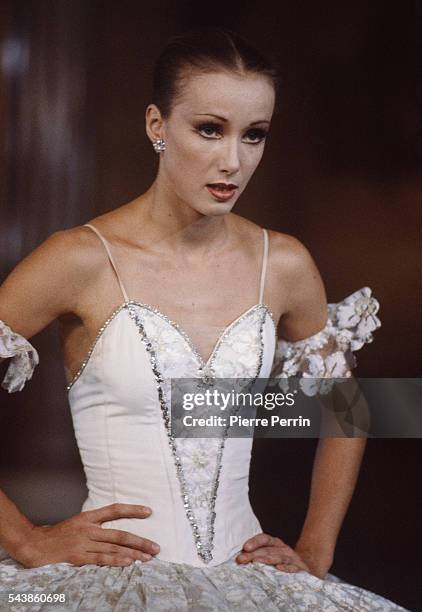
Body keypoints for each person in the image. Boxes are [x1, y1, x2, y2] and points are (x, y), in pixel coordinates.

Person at [0, 26, 407, 611]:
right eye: (210, 129)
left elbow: (349, 410)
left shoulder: (282, 263)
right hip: (105, 586)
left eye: (254, 135)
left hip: (249, 582)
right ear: (156, 126)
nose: (232, 161)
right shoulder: (80, 259)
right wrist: (24, 537)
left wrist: (316, 550)